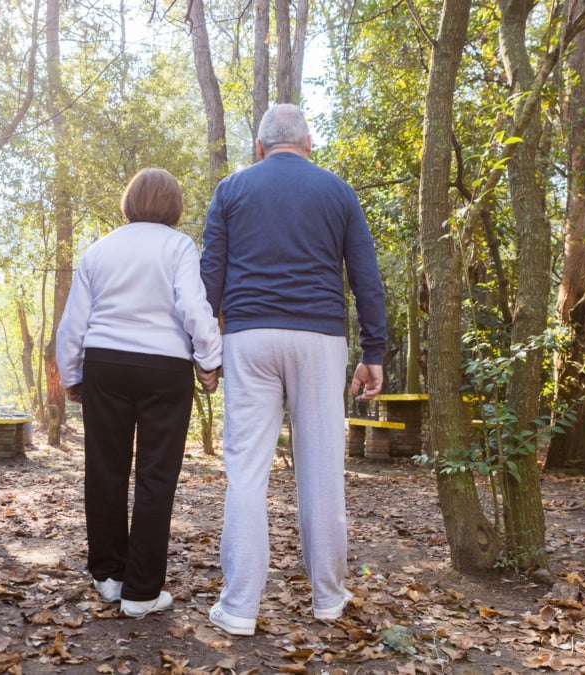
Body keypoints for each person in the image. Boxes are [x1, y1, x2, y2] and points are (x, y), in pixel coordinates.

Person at [200, 104, 387, 636]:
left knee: (246, 472)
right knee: (322, 468)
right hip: (320, 338)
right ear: (309, 145)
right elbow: (366, 278)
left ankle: (238, 607)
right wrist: (374, 352)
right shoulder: (338, 191)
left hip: (248, 338)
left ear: (259, 148)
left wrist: (205, 352)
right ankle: (328, 597)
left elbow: (209, 274)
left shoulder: (231, 190)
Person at [56, 167, 223, 618]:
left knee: (105, 470)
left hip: (106, 365)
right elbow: (194, 305)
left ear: (129, 202)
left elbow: (74, 322)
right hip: (164, 368)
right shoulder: (179, 246)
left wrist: (71, 374)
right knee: (156, 475)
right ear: (174, 206)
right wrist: (209, 360)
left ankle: (108, 576)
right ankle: (141, 592)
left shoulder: (100, 249)